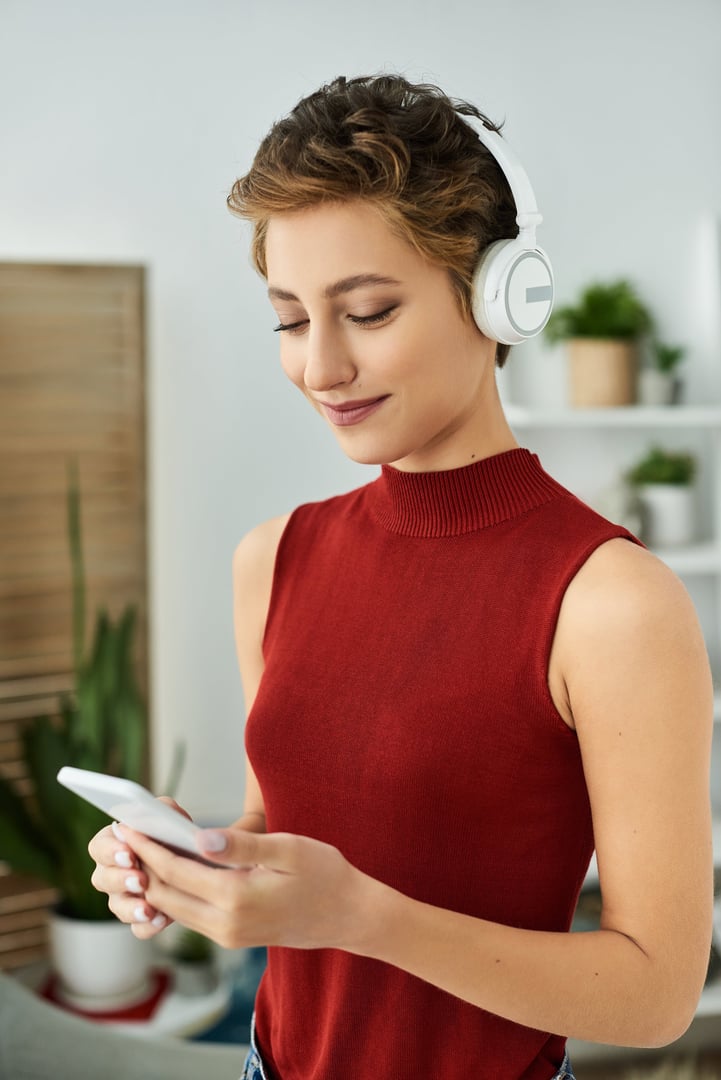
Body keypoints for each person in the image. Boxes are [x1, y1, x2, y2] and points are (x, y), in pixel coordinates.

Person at [88, 75, 714, 1080]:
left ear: (501, 293)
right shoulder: (273, 557)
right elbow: (277, 830)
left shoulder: (610, 603)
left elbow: (656, 994)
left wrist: (362, 918)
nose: (320, 366)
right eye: (290, 319)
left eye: (367, 311)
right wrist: (193, 869)